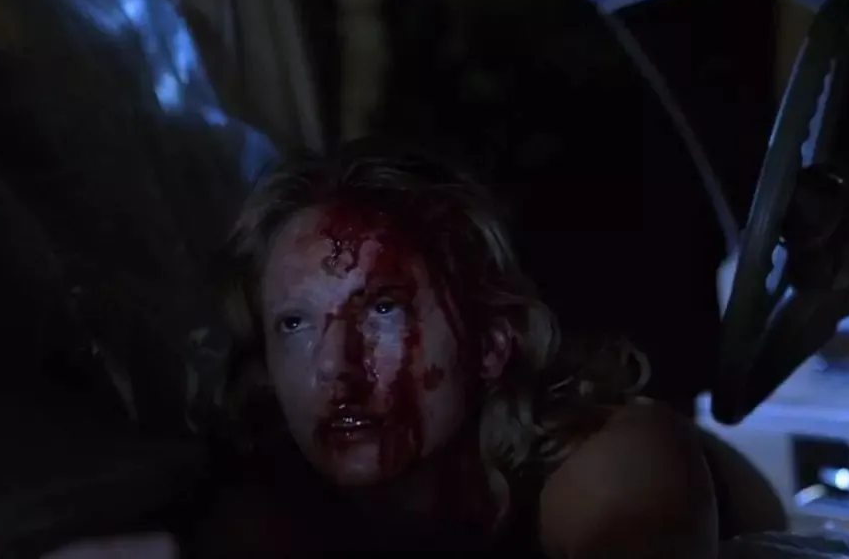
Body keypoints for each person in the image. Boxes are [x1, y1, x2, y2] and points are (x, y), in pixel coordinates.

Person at [188, 141, 724, 558]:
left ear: (489, 342)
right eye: (294, 323)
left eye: (383, 308)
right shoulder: (261, 505)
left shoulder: (603, 456)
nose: (332, 365)